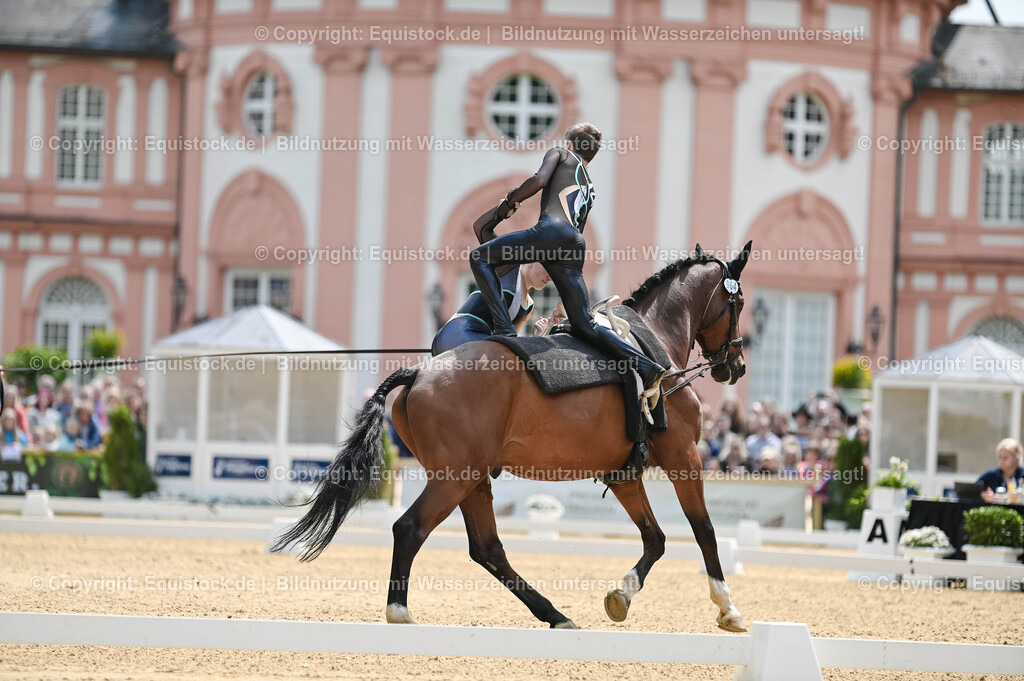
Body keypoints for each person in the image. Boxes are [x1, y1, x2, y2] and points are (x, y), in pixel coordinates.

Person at [468, 122, 666, 410]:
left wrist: (509, 202)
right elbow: (577, 225)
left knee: (479, 258)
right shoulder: (590, 186)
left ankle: (503, 329)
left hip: (552, 231)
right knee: (584, 322)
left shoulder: (560, 153)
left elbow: (539, 180)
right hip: (574, 243)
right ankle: (646, 365)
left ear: (570, 144)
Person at [978, 438, 1024, 503]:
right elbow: (973, 490)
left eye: (1005, 458)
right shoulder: (991, 475)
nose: (1001, 461)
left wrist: (997, 498)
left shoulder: (1022, 476)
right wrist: (984, 496)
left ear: (1016, 458)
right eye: (1000, 457)